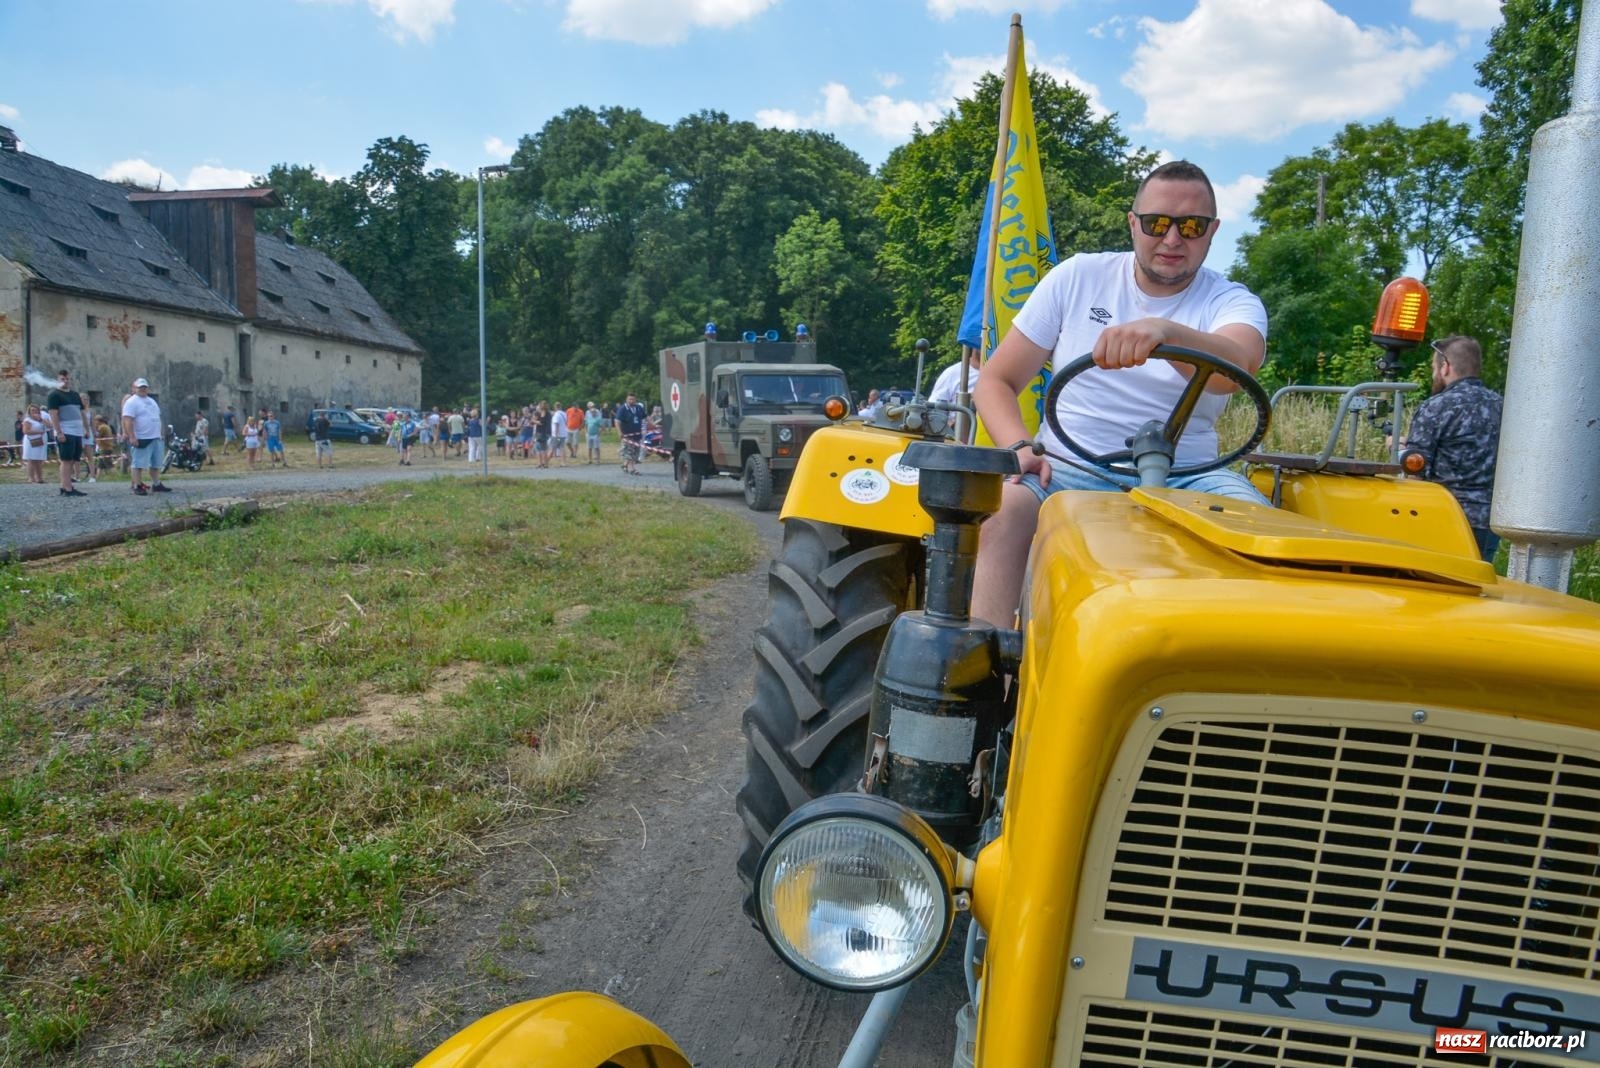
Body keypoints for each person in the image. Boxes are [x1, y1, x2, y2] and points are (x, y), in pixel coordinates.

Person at [971, 159, 1268, 627]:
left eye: (1190, 226)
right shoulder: (1078, 277)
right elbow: (995, 380)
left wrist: (1164, 332)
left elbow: (1234, 368)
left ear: (1212, 232)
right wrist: (1018, 445)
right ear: (1133, 223)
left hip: (1191, 475)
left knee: (1262, 533)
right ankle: (986, 674)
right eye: (1156, 224)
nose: (1172, 239)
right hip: (1069, 468)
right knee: (1001, 512)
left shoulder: (1230, 301)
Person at [1402, 334, 1503, 561]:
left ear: (1445, 367)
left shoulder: (1436, 407)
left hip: (1446, 521)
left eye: (1434, 368)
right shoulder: (1502, 405)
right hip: (1490, 521)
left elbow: (1415, 473)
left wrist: (1403, 452)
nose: (1433, 373)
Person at [121, 377, 171, 495]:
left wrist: (161, 433)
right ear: (135, 388)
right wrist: (132, 436)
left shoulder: (152, 401)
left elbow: (158, 417)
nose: (143, 389)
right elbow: (128, 420)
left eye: (144, 387)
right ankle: (137, 485)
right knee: (138, 463)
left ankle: (156, 483)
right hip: (142, 437)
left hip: (155, 436)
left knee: (156, 463)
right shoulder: (132, 402)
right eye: (140, 387)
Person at [46, 369, 91, 497]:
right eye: (62, 379)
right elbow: (53, 415)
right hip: (66, 431)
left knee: (73, 459)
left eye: (67, 379)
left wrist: (86, 429)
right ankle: (66, 488)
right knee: (66, 459)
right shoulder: (54, 395)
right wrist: (59, 432)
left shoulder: (75, 395)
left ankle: (68, 485)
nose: (65, 381)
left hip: (77, 432)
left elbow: (82, 413)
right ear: (58, 381)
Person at [615, 392, 647, 475]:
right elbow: (617, 421)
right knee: (629, 452)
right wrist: (619, 433)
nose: (631, 401)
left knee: (636, 452)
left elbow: (646, 418)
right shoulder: (623, 409)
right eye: (630, 399)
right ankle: (632, 469)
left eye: (633, 399)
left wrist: (654, 426)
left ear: (635, 400)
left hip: (637, 435)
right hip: (627, 435)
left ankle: (625, 465)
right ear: (626, 399)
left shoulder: (639, 408)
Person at [20, 404, 49, 483]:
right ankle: (31, 478)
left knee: (39, 460)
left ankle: (39, 478)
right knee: (31, 459)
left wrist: (41, 419)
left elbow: (49, 426)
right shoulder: (27, 420)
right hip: (31, 441)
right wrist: (39, 432)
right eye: (32, 410)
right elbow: (26, 431)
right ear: (29, 412)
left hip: (40, 441)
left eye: (36, 410)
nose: (34, 412)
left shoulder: (41, 420)